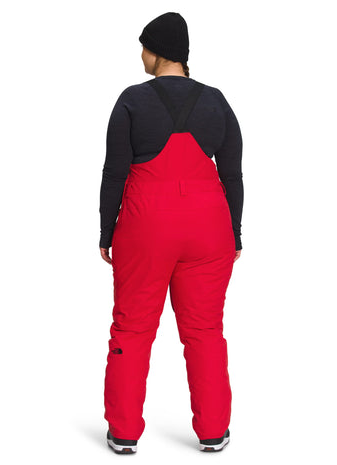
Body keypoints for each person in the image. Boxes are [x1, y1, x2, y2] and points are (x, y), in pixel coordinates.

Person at [99, 12, 244, 454]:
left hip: (146, 226)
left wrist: (106, 232)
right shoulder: (217, 101)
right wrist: (235, 234)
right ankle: (214, 431)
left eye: (144, 47)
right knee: (205, 330)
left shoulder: (131, 100)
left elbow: (114, 172)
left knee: (132, 328)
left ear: (157, 51)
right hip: (209, 228)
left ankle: (124, 432)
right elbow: (232, 175)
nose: (141, 55)